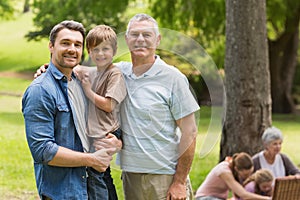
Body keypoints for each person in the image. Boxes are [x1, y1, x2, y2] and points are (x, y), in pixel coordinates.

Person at [35, 13, 200, 200]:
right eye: (135, 34)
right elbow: (76, 70)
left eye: (147, 35)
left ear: (158, 39)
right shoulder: (117, 72)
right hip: (131, 176)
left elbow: (190, 132)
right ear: (127, 40)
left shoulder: (172, 78)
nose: (140, 40)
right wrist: (47, 69)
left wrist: (179, 181)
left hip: (165, 177)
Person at [22, 20, 115, 200]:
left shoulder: (84, 83)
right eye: (65, 43)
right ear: (51, 46)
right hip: (64, 193)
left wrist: (113, 139)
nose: (72, 49)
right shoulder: (40, 90)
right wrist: (92, 159)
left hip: (96, 188)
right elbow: (43, 150)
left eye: (77, 45)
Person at [75, 25, 127, 200]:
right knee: (102, 173)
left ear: (114, 50)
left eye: (105, 49)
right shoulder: (94, 71)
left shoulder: (115, 74)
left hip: (106, 132)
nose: (100, 54)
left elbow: (109, 105)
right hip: (96, 131)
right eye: (95, 49)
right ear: (89, 51)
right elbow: (75, 68)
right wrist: (47, 67)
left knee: (95, 175)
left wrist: (88, 91)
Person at [194, 152, 272, 200]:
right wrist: (268, 199)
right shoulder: (224, 171)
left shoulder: (234, 170)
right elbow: (243, 194)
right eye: (245, 174)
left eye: (250, 173)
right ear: (236, 169)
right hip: (205, 197)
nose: (248, 176)